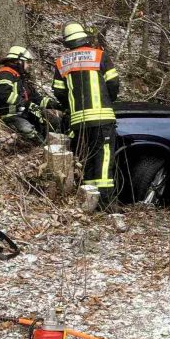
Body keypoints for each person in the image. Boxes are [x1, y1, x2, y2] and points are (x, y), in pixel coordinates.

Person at [52, 22, 120, 209]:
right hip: (102, 117)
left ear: (67, 42)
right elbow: (113, 83)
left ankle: (89, 201)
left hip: (78, 122)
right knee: (104, 158)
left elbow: (58, 92)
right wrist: (108, 99)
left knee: (87, 159)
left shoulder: (61, 62)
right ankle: (106, 202)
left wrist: (71, 106)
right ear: (84, 38)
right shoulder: (99, 56)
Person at [0, 46, 59, 144]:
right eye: (27, 62)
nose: (28, 66)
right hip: (11, 115)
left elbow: (36, 98)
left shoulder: (20, 78)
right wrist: (26, 104)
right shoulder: (5, 74)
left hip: (25, 113)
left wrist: (56, 105)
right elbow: (5, 95)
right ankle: (42, 148)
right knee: (29, 131)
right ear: (18, 61)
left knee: (55, 123)